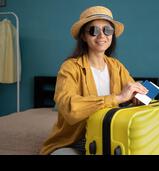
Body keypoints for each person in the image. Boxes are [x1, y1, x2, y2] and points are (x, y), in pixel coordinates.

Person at [40, 6, 148, 155]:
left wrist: (138, 97)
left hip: (110, 137)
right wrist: (117, 98)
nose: (102, 36)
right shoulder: (69, 67)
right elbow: (69, 107)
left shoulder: (117, 66)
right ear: (84, 36)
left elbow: (132, 90)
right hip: (76, 141)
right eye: (93, 30)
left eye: (107, 30)